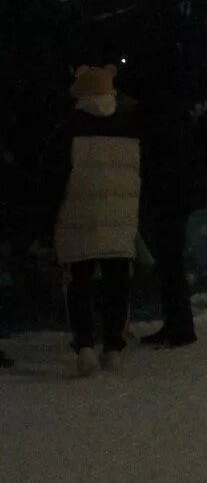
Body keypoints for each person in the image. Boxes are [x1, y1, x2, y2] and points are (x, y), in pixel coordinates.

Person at [46, 64, 141, 376]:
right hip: (120, 218)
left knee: (79, 285)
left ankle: (85, 346)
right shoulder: (129, 125)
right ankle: (113, 347)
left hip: (77, 217)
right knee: (117, 284)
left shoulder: (68, 126)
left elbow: (54, 176)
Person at [137, 77, 203, 349]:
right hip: (177, 199)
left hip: (168, 199)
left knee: (170, 263)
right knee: (171, 263)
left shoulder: (161, 127)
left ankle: (179, 325)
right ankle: (178, 323)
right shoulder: (180, 122)